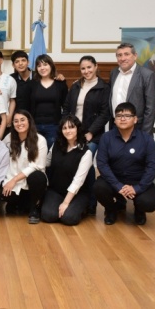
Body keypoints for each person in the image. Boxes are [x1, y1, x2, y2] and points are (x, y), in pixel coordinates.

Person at [95, 102, 155, 225]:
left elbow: (153, 166)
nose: (122, 118)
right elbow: (102, 164)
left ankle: (139, 210)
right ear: (114, 120)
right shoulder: (106, 138)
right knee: (99, 187)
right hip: (114, 180)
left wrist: (137, 188)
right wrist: (118, 185)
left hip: (137, 181)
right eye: (119, 116)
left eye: (127, 116)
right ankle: (111, 210)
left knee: (149, 203)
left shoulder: (147, 139)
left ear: (135, 119)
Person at [62, 55, 110, 215]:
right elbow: (67, 108)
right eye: (83, 68)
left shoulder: (104, 87)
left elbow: (105, 114)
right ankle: (76, 198)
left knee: (87, 164)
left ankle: (91, 202)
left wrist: (90, 133)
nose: (86, 71)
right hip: (73, 133)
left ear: (96, 66)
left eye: (89, 67)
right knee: (75, 165)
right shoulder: (76, 86)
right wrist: (67, 128)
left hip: (92, 135)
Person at [40, 115, 92, 226]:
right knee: (48, 216)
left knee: (69, 218)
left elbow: (78, 181)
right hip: (56, 190)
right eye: (64, 128)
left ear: (78, 129)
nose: (68, 131)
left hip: (77, 193)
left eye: (71, 127)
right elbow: (46, 163)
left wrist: (65, 203)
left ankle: (82, 208)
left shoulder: (86, 152)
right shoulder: (56, 145)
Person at [2, 110, 48, 223]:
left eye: (22, 120)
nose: (19, 123)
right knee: (6, 194)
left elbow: (37, 166)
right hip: (13, 183)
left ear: (29, 121)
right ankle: (18, 204)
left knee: (37, 176)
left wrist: (14, 179)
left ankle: (34, 208)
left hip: (30, 183)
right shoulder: (8, 138)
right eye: (16, 121)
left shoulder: (40, 140)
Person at [110, 42, 155, 135]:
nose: (123, 58)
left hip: (138, 129)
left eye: (126, 54)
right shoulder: (114, 73)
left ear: (135, 56)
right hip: (115, 128)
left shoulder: (147, 75)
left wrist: (145, 135)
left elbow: (151, 108)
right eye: (119, 55)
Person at [30, 54, 68, 149]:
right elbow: (28, 105)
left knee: (51, 154)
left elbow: (66, 105)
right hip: (35, 126)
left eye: (45, 64)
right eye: (39, 66)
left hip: (54, 126)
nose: (42, 68)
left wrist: (62, 123)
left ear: (51, 65)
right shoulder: (32, 84)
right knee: (36, 153)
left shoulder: (60, 84)